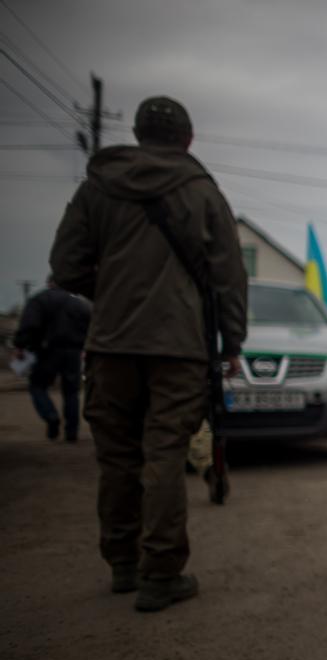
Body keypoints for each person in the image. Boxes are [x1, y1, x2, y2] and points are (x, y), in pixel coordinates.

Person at [50, 95, 247, 611]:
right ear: (188, 140)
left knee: (116, 456)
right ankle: (160, 574)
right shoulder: (203, 192)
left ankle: (122, 565)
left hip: (110, 345)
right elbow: (229, 278)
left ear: (137, 133)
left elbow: (65, 265)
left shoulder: (99, 186)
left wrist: (112, 293)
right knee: (163, 452)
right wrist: (233, 343)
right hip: (180, 349)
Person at [12, 277, 91, 441]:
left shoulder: (40, 300)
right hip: (73, 352)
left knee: (38, 386)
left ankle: (50, 415)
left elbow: (29, 325)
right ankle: (71, 433)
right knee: (71, 392)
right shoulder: (79, 304)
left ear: (49, 283)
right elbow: (90, 328)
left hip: (47, 351)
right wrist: (86, 348)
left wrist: (20, 346)